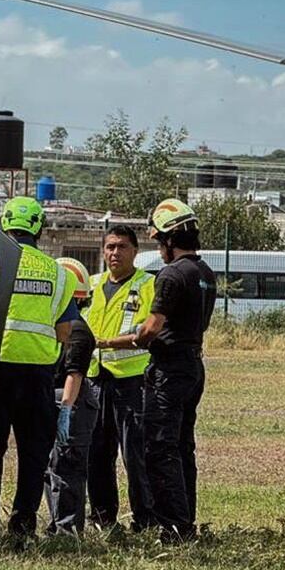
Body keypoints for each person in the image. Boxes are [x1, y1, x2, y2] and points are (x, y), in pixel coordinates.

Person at [97, 199, 216, 542]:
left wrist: (116, 341)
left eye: (160, 240)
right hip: (193, 365)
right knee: (182, 447)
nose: (160, 248)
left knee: (160, 448)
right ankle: (186, 520)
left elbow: (150, 329)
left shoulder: (172, 275)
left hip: (168, 371)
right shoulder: (205, 272)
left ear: (170, 239)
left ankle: (173, 528)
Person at [0, 196, 78, 538]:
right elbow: (65, 331)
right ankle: (23, 524)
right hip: (38, 375)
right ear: (39, 230)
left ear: (4, 227)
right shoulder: (58, 273)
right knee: (33, 452)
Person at [84, 225, 156, 531]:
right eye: (110, 247)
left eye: (122, 246)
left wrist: (108, 342)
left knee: (135, 454)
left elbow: (148, 332)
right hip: (95, 378)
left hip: (132, 380)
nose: (115, 252)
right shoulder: (92, 284)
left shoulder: (148, 285)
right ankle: (102, 517)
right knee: (96, 452)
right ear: (103, 251)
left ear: (135, 251)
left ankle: (146, 519)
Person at [44, 257, 97, 535]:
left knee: (67, 466)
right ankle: (57, 524)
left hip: (72, 401)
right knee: (53, 466)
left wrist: (65, 411)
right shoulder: (64, 324)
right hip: (63, 399)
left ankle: (68, 530)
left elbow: (73, 374)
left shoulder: (77, 330)